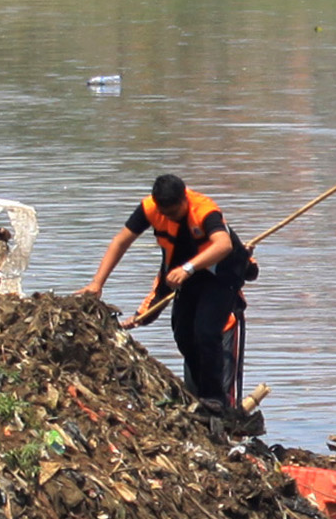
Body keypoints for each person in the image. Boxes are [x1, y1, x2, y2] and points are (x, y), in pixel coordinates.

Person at [87, 172, 249, 409]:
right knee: (183, 333)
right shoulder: (150, 208)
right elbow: (121, 241)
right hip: (186, 275)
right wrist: (97, 283)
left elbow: (223, 245)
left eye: (174, 212)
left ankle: (215, 397)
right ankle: (198, 394)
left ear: (184, 199)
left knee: (206, 331)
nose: (169, 218)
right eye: (165, 213)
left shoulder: (203, 209)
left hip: (221, 275)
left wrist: (188, 268)